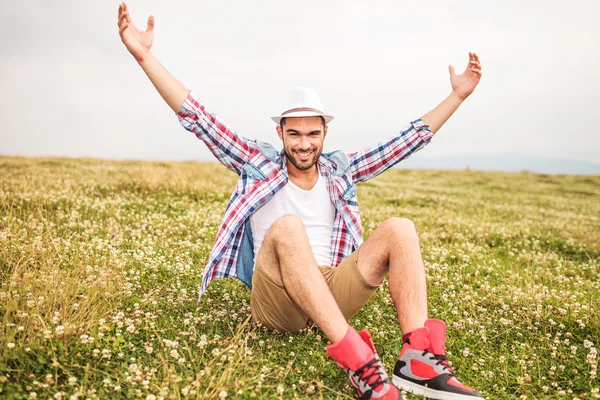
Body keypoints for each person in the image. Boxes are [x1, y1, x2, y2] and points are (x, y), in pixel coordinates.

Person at [117, 2, 484, 399]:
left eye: (313, 133)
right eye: (295, 134)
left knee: (401, 229)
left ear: (325, 132)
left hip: (329, 289)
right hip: (278, 299)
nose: (304, 143)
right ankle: (360, 361)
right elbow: (198, 117)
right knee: (288, 227)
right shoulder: (256, 164)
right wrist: (144, 56)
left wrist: (457, 97)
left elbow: (405, 142)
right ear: (281, 134)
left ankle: (418, 358)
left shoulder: (338, 171)